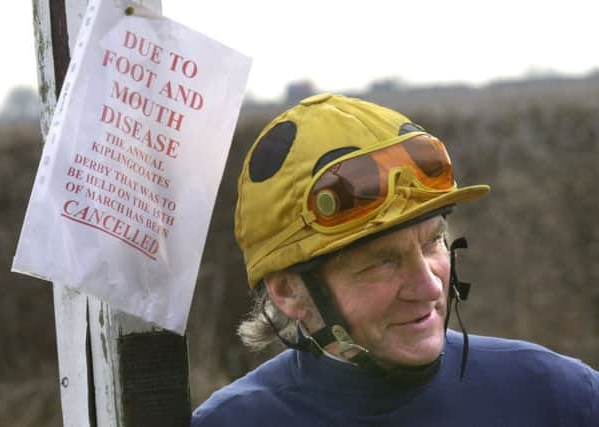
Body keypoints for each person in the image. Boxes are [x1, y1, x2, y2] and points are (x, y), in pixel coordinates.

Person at [191, 94, 599, 426]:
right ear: (287, 291)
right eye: (382, 262)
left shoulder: (559, 400)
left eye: (432, 242)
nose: (430, 286)